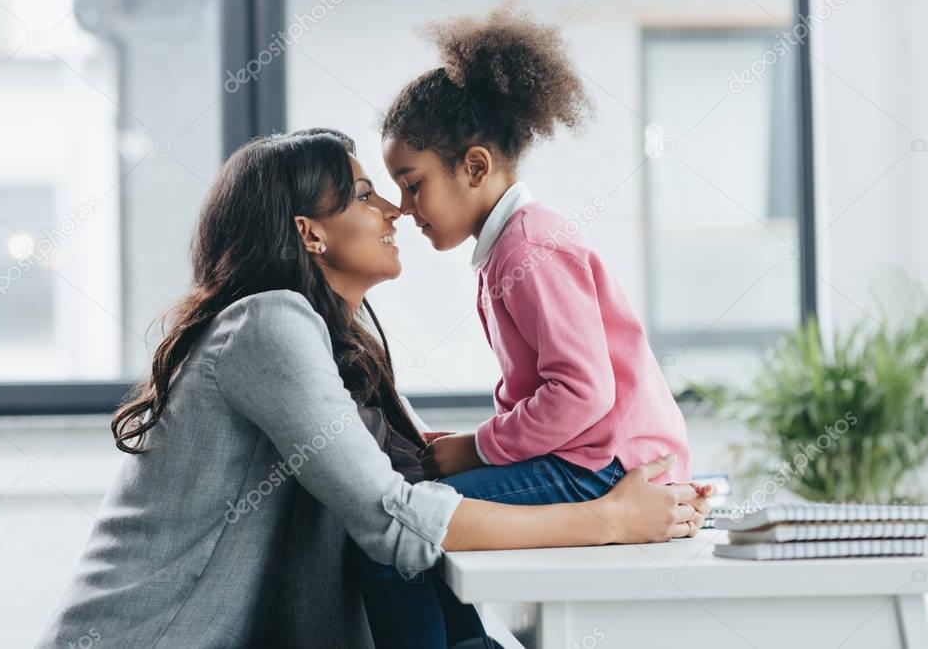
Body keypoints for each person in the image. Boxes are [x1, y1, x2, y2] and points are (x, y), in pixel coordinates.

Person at [36, 129, 710, 649]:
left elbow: (414, 484)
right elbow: (395, 516)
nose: (394, 207)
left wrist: (643, 491)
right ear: (310, 232)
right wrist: (609, 519)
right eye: (363, 193)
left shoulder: (342, 342)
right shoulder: (267, 324)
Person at [358, 7, 698, 648]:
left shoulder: (529, 248)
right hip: (591, 456)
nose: (404, 210)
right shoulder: (510, 246)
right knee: (412, 520)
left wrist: (475, 447)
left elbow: (581, 394)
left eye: (412, 184)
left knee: (395, 534)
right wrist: (470, 444)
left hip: (602, 467)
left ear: (476, 167)